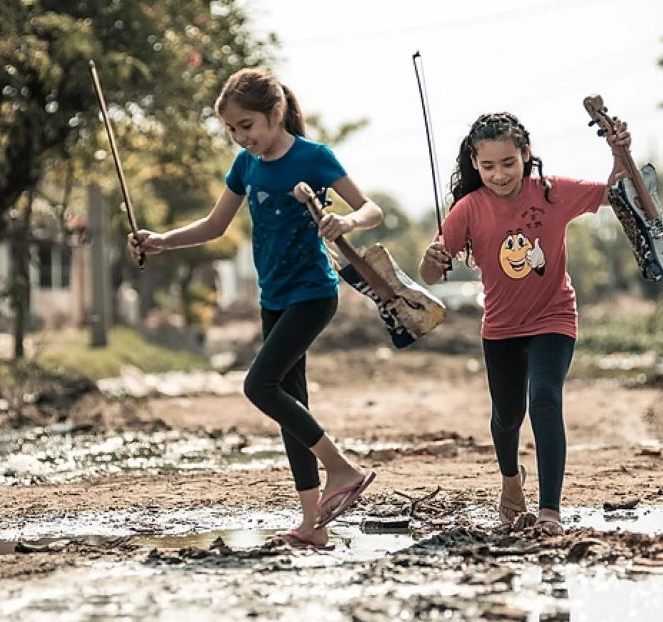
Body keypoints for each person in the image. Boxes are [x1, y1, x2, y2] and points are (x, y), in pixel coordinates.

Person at [129, 68, 381, 549]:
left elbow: (373, 209)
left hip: (312, 295)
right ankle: (314, 525)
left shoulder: (313, 157)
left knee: (258, 385)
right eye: (232, 130)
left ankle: (342, 468)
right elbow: (214, 225)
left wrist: (346, 221)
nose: (242, 137)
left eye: (247, 126)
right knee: (292, 406)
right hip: (274, 298)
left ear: (276, 113)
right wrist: (162, 240)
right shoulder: (246, 166)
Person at [417, 111, 630, 535]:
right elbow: (428, 273)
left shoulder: (552, 194)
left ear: (526, 155)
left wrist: (618, 150)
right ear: (475, 165)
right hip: (501, 327)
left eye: (508, 163)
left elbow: (616, 194)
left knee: (545, 399)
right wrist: (432, 259)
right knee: (507, 415)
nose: (499, 175)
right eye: (488, 166)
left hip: (554, 316)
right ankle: (511, 482)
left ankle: (550, 511)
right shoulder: (468, 209)